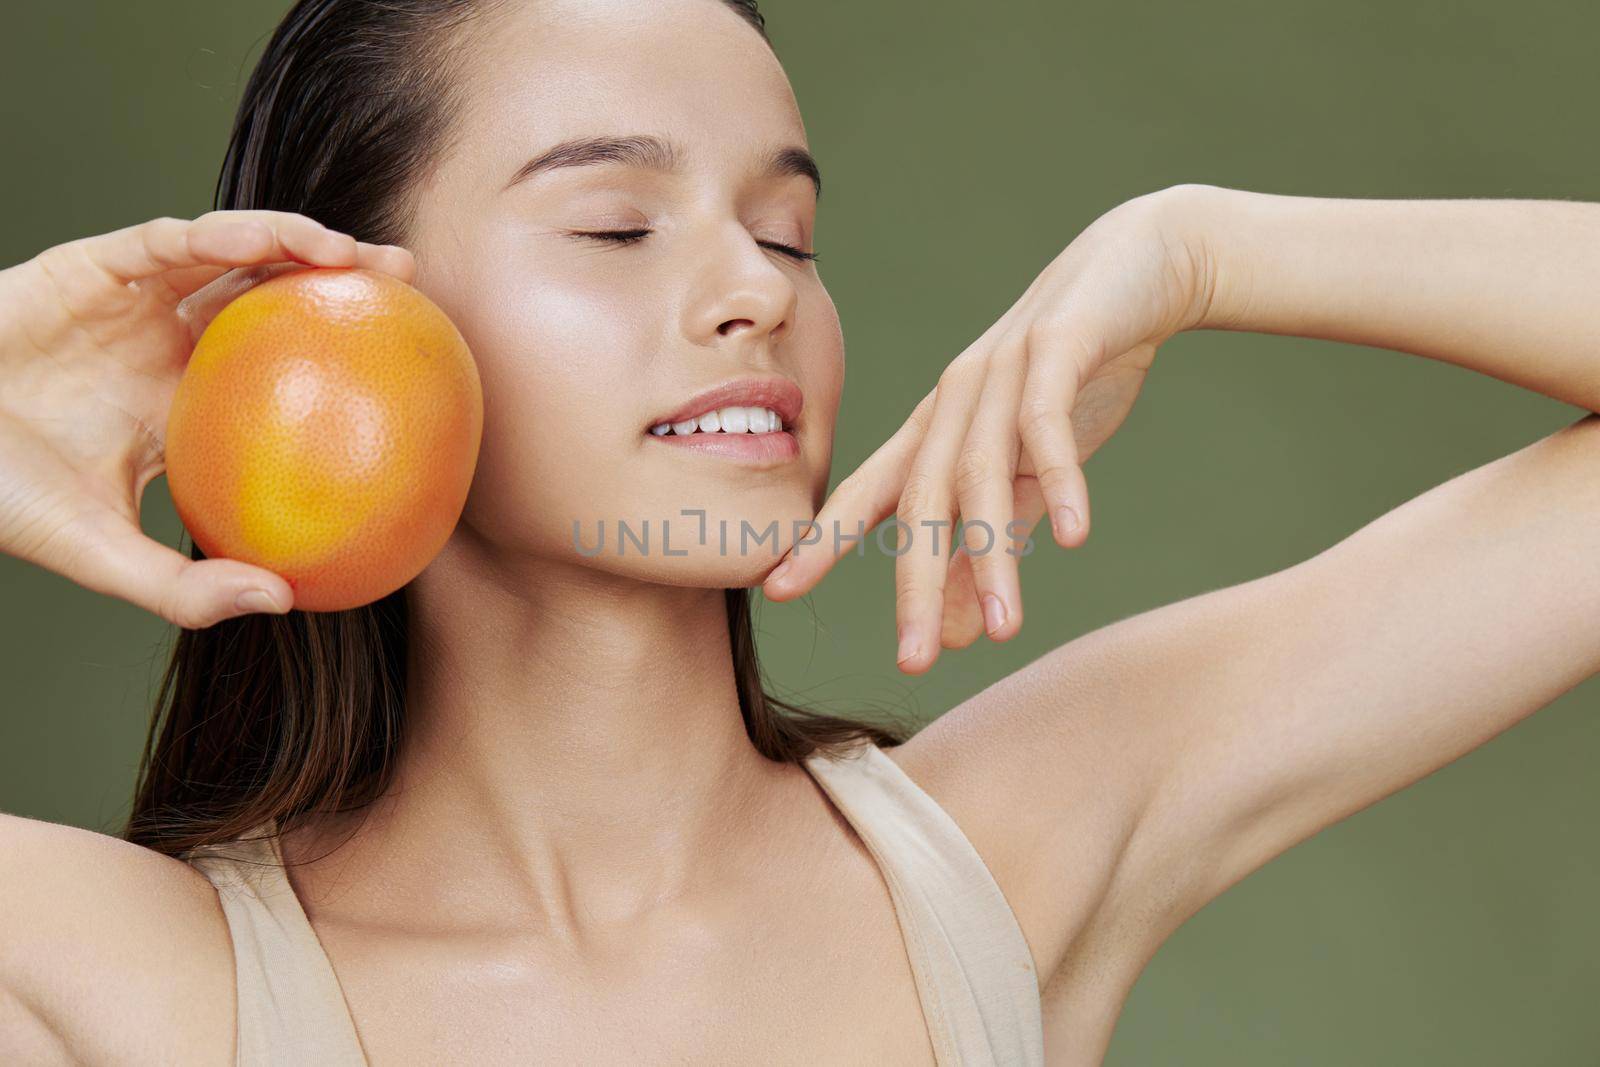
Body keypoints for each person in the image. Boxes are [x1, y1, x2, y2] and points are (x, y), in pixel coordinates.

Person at [2, 0, 1597, 1063]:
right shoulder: (127, 976)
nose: (758, 286)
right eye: (618, 224)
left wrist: (1199, 250)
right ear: (335, 314)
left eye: (787, 229)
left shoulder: (1016, 844)